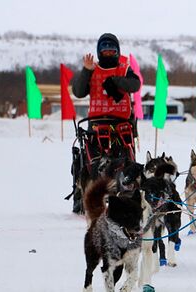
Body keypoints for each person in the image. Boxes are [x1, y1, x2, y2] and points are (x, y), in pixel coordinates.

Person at [70, 33, 141, 213]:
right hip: (96, 125)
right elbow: (78, 91)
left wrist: (115, 82)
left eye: (112, 49)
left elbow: (135, 85)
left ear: (117, 51)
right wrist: (86, 70)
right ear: (99, 51)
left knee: (125, 163)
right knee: (90, 163)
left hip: (121, 125)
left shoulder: (125, 69)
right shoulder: (91, 69)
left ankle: (128, 197)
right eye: (105, 49)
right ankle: (83, 195)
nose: (108, 53)